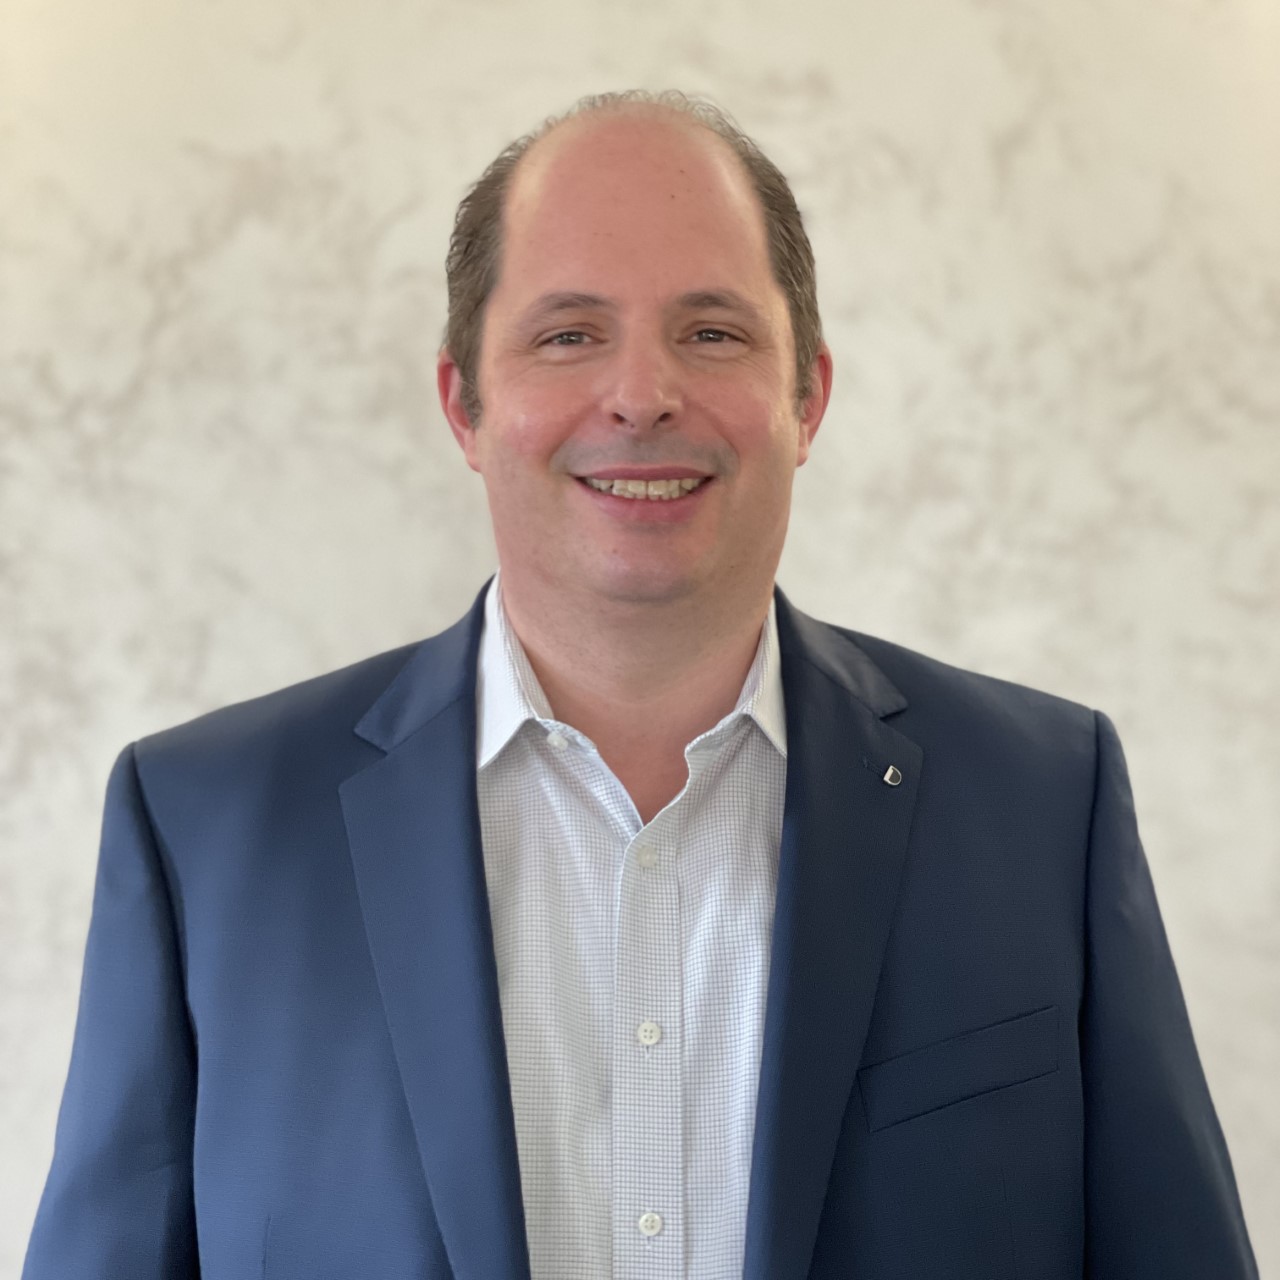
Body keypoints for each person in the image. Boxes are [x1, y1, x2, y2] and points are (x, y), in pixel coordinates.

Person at [23, 90, 1257, 1280]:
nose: (640, 395)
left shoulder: (1041, 804)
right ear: (463, 404)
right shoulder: (206, 827)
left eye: (710, 331)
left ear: (806, 396)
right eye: (568, 334)